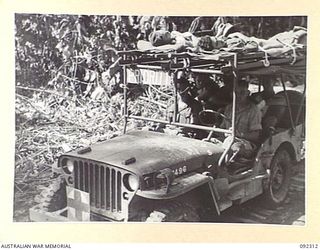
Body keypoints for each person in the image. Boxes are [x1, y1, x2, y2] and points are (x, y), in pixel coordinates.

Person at [220, 79, 262, 159]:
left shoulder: (253, 110)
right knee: (208, 142)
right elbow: (223, 128)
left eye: (242, 93)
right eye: (236, 93)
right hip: (228, 139)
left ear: (248, 93)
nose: (238, 96)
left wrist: (239, 134)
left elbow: (256, 136)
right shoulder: (229, 108)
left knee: (234, 147)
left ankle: (227, 168)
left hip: (245, 143)